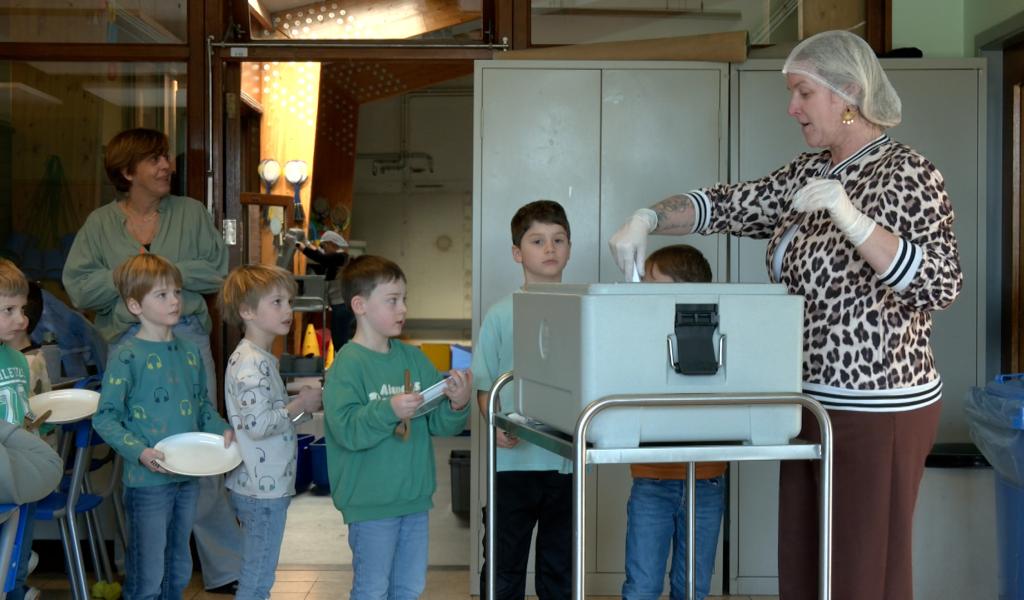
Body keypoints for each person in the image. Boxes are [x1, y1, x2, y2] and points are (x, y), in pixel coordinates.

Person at [608, 30, 961, 600]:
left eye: (803, 93)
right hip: (806, 405)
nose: (792, 107)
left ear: (847, 93)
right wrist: (647, 217)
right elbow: (726, 203)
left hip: (879, 410)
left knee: (862, 572)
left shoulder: (909, 174)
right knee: (803, 565)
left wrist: (854, 220)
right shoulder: (806, 173)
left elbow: (940, 285)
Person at [62, 128, 242, 593]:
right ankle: (140, 565)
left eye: (165, 157)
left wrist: (145, 274)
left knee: (200, 447)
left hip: (187, 340)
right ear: (127, 172)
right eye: (155, 160)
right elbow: (79, 285)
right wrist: (138, 286)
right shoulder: (101, 224)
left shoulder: (191, 213)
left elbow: (215, 270)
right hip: (126, 339)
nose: (167, 166)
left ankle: (225, 568)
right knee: (140, 452)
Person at [322, 255, 472, 600]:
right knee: (372, 589)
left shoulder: (412, 358)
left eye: (404, 299)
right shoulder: (348, 364)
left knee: (409, 588)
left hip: (414, 500)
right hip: (370, 502)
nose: (402, 308)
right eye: (392, 300)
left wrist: (457, 402)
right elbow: (346, 429)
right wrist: (388, 409)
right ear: (359, 305)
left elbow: (439, 423)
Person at [93, 253, 235, 600]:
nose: (175, 301)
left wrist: (222, 431)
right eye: (162, 295)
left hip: (186, 478)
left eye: (177, 292)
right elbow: (104, 417)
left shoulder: (190, 352)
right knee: (147, 572)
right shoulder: (126, 356)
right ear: (134, 305)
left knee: (178, 568)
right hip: (147, 483)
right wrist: (139, 452)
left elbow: (202, 407)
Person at [472, 199, 574, 600]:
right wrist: (496, 425)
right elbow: (484, 388)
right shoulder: (500, 315)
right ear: (518, 252)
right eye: (537, 240)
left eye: (558, 239)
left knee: (560, 566)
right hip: (511, 466)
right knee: (503, 566)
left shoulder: (582, 310)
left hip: (566, 463)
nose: (549, 249)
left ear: (569, 247)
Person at [621, 245, 725, 600]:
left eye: (653, 284)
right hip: (652, 479)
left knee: (693, 588)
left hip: (707, 479)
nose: (644, 291)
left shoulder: (721, 338)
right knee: (642, 587)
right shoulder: (636, 336)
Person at [218, 264, 323, 600]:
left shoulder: (261, 358)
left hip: (264, 485)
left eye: (288, 301)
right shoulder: (252, 363)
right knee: (257, 578)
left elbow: (267, 421)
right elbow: (260, 424)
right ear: (247, 311)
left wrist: (302, 406)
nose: (288, 310)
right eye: (276, 302)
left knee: (259, 572)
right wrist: (300, 403)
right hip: (260, 492)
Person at [0, 259, 49, 600]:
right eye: (9, 309)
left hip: (21, 478)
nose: (22, 319)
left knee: (15, 561)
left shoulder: (19, 361)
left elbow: (23, 410)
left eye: (22, 308)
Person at [297, 230, 353, 349]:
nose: (324, 249)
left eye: (325, 246)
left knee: (340, 340)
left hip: (342, 305)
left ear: (332, 244)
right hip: (339, 305)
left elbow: (321, 258)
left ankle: (344, 364)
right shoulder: (337, 258)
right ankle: (342, 363)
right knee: (338, 338)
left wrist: (302, 248)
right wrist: (307, 243)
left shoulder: (341, 256)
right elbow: (322, 255)